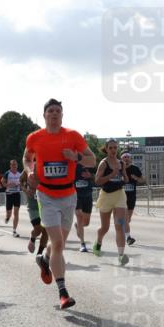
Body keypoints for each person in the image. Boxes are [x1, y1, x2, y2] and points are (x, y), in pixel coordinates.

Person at [24, 98, 97, 309]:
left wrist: (76, 156)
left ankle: (44, 259)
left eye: (58, 111)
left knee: (59, 245)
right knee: (58, 244)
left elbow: (91, 160)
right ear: (44, 115)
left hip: (68, 195)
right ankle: (63, 292)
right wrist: (29, 171)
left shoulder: (73, 136)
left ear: (62, 115)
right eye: (50, 111)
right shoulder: (35, 137)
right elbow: (27, 158)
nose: (54, 114)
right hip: (46, 195)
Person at [92, 139, 129, 266]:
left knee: (120, 226)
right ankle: (98, 241)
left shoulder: (121, 163)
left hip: (119, 195)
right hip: (106, 196)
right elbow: (97, 181)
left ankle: (121, 255)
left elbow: (126, 178)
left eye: (115, 148)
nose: (113, 150)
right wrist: (112, 174)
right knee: (105, 227)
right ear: (106, 149)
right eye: (111, 148)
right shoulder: (103, 163)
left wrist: (123, 178)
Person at [21, 168, 50, 262]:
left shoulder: (47, 168)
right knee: (38, 230)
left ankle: (39, 254)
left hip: (45, 205)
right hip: (33, 206)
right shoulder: (28, 170)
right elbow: (21, 181)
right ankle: (33, 237)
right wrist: (25, 190)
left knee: (46, 231)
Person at [121, 152, 145, 246]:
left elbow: (143, 180)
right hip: (121, 196)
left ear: (130, 159)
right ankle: (128, 238)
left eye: (128, 157)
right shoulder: (119, 168)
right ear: (121, 159)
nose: (126, 159)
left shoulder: (135, 169)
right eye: (124, 157)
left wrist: (136, 178)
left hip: (132, 196)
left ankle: (124, 231)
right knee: (126, 218)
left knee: (128, 219)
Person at [74, 163, 94, 252]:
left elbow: (97, 178)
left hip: (87, 196)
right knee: (79, 215)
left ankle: (77, 226)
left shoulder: (90, 163)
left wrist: (91, 175)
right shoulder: (71, 164)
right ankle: (82, 244)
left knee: (86, 223)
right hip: (75, 195)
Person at [2, 159, 23, 237]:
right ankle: (7, 218)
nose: (14, 166)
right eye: (13, 165)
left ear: (17, 165)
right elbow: (3, 182)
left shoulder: (19, 174)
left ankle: (14, 230)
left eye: (15, 165)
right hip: (9, 194)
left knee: (16, 213)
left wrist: (19, 184)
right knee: (9, 213)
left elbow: (22, 183)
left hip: (17, 194)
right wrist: (8, 184)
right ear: (10, 166)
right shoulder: (7, 173)